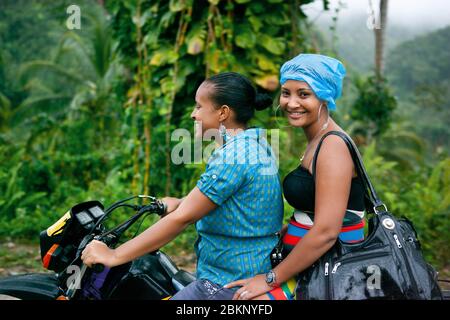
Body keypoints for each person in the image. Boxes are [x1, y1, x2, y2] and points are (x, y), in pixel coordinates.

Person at [81, 72, 284, 300]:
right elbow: (219, 197)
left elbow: (183, 219)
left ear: (223, 112)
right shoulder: (253, 143)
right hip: (250, 267)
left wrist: (114, 255)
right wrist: (179, 203)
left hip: (227, 283)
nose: (193, 114)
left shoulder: (234, 157)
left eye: (199, 106)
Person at [225, 54, 366, 300]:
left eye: (303, 94)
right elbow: (312, 214)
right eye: (286, 92)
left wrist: (270, 280)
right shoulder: (317, 139)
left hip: (331, 273)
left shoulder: (333, 146)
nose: (291, 103)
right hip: (307, 266)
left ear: (324, 96)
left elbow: (326, 232)